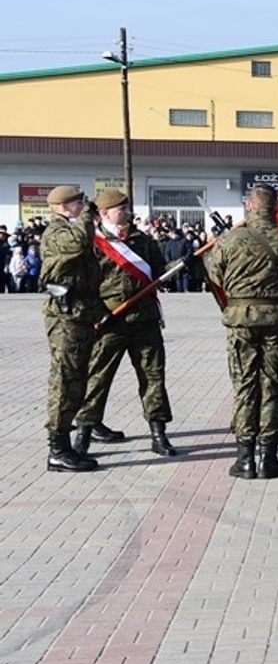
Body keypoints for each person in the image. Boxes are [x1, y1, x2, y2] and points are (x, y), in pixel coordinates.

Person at [203, 183, 278, 478]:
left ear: (249, 206)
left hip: (241, 321)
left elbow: (215, 275)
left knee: (245, 385)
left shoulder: (229, 239)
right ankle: (268, 458)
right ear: (277, 207)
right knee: (273, 385)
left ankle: (245, 458)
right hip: (276, 320)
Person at [74, 189, 177, 458]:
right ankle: (83, 434)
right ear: (104, 213)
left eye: (127, 208)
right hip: (110, 321)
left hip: (145, 320)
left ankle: (158, 434)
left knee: (153, 376)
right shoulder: (92, 243)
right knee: (98, 378)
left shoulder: (142, 240)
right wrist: (97, 313)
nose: (127, 213)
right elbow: (82, 285)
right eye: (121, 209)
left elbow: (160, 271)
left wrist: (181, 265)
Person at [39, 185, 105, 472]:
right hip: (65, 319)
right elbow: (78, 243)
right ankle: (58, 449)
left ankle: (64, 446)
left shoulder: (70, 228)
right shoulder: (57, 232)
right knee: (65, 381)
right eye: (80, 202)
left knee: (76, 380)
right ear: (64, 206)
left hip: (79, 315)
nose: (84, 206)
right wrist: (89, 215)